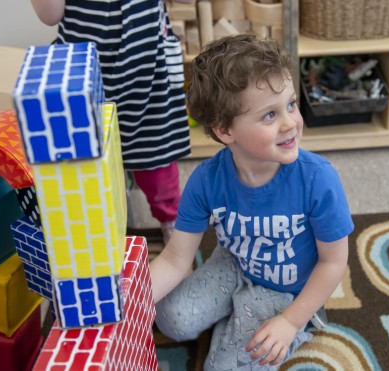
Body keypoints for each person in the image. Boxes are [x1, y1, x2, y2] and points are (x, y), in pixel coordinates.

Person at [149, 34, 354, 369]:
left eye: (290, 104)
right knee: (171, 320)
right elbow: (174, 259)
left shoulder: (318, 178)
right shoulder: (206, 179)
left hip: (290, 293)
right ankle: (236, 308)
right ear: (225, 131)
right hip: (235, 264)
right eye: (269, 116)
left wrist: (289, 321)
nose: (290, 123)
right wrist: (128, 304)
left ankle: (298, 324)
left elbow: (333, 263)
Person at [30, 0, 191, 243]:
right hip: (84, 74)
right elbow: (50, 16)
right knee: (89, 171)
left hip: (148, 73)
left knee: (158, 166)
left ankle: (171, 227)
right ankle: (104, 237)